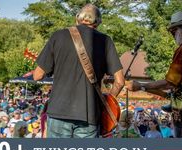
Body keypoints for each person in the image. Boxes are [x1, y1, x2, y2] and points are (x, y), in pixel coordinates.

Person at [33, 4, 124, 138]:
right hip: (89, 115)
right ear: (98, 22)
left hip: (59, 111)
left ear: (77, 18)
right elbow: (120, 81)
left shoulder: (58, 36)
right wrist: (107, 103)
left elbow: (37, 75)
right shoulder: (106, 41)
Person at [127, 10, 182, 137]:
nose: (174, 36)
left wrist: (141, 86)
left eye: (173, 32)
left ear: (181, 30)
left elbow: (170, 82)